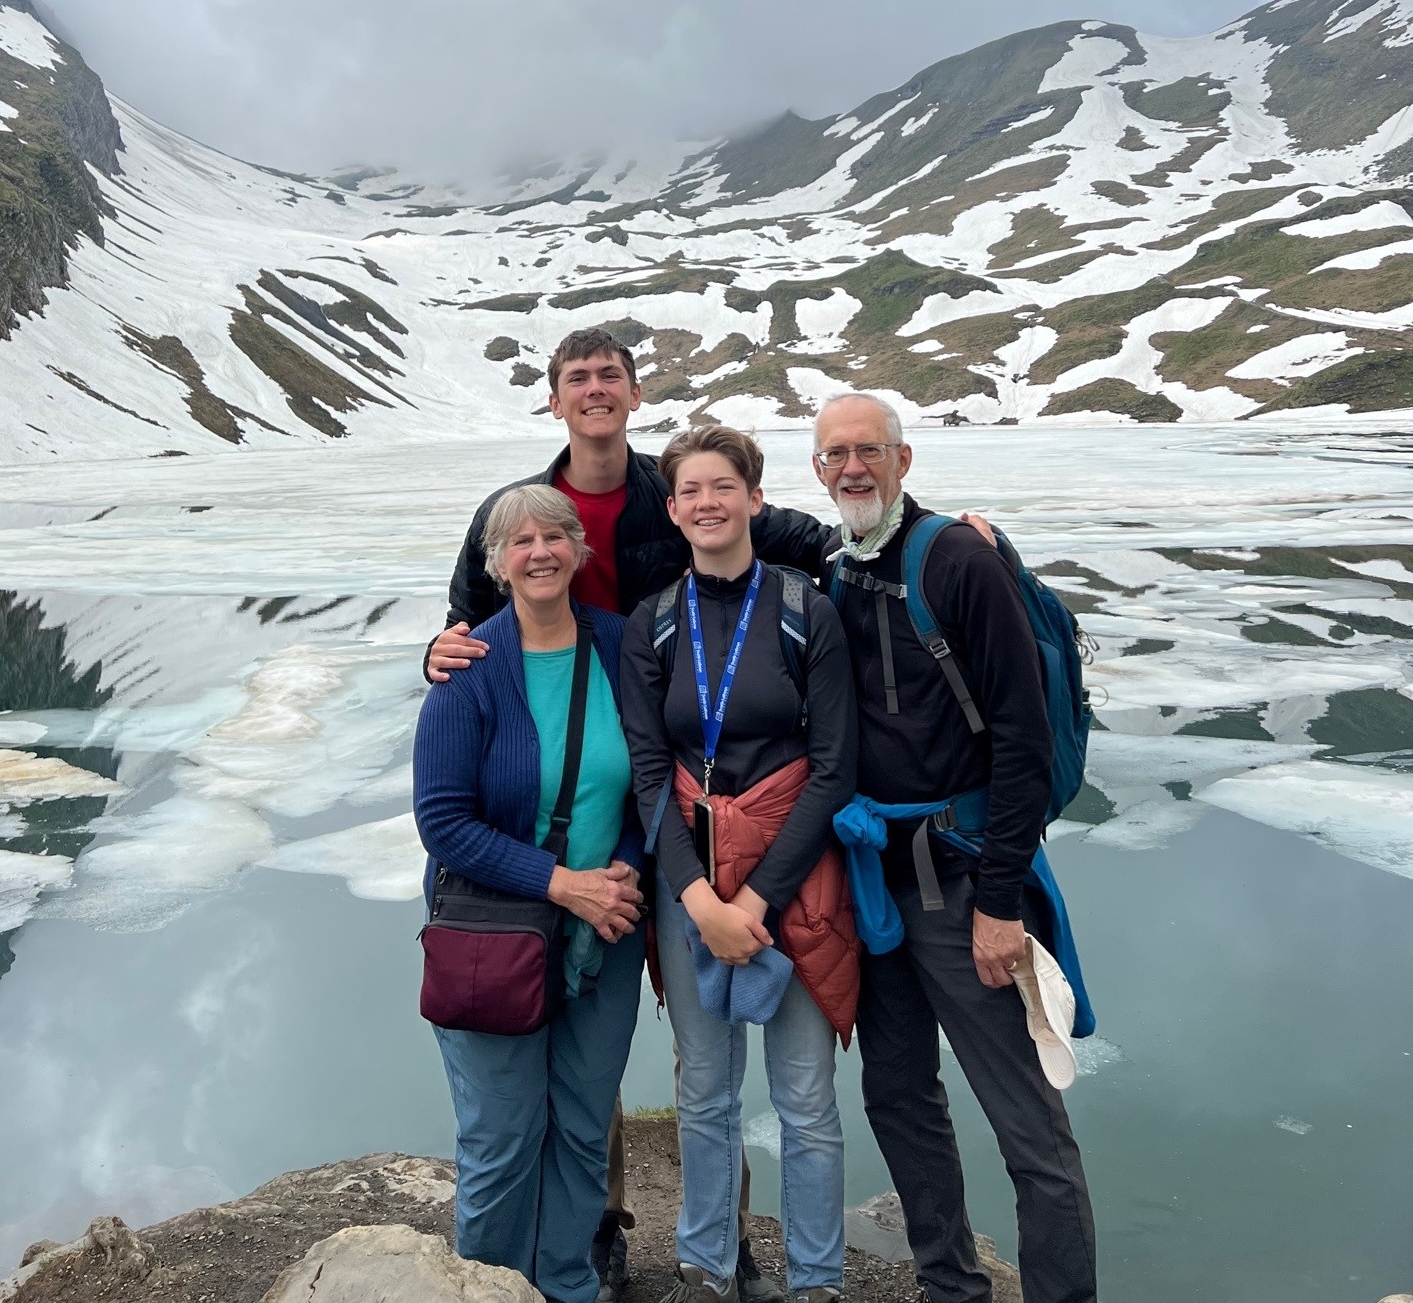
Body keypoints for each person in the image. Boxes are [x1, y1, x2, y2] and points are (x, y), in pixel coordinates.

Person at [426, 327, 830, 1303]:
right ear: (555, 399)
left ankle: (712, 1246)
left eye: (610, 374)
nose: (595, 389)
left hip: (656, 831)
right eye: (577, 378)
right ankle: (579, 1244)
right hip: (538, 869)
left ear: (635, 393)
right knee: (544, 1107)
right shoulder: (515, 519)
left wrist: (919, 533)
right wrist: (437, 657)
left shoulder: (671, 499)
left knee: (661, 1058)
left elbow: (794, 537)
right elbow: (460, 630)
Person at [810, 392, 1098, 1303]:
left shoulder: (960, 561)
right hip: (879, 886)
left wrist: (1000, 903)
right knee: (899, 1097)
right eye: (835, 455)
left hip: (966, 881)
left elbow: (1024, 739)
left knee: (1026, 1122)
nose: (852, 468)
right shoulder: (838, 567)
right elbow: (730, 522)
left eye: (869, 450)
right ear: (818, 470)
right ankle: (950, 1287)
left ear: (904, 460)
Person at [622, 427, 859, 1303]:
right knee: (706, 1093)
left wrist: (753, 901)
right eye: (690, 490)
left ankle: (817, 1281)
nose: (707, 503)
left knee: (805, 1099)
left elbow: (833, 770)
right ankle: (706, 1269)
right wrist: (697, 898)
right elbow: (650, 772)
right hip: (691, 882)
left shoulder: (806, 611)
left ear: (756, 499)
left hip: (793, 885)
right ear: (673, 509)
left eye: (723, 486)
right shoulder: (652, 623)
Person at [413, 484, 647, 1303]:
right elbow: (444, 822)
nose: (540, 552)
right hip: (492, 939)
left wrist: (623, 869)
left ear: (580, 550)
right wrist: (563, 884)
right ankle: (491, 1289)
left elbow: (650, 779)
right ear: (497, 562)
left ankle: (568, 1284)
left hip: (605, 932)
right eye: (521, 541)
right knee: (503, 1138)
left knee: (581, 1129)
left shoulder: (621, 645)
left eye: (555, 536)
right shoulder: (468, 669)